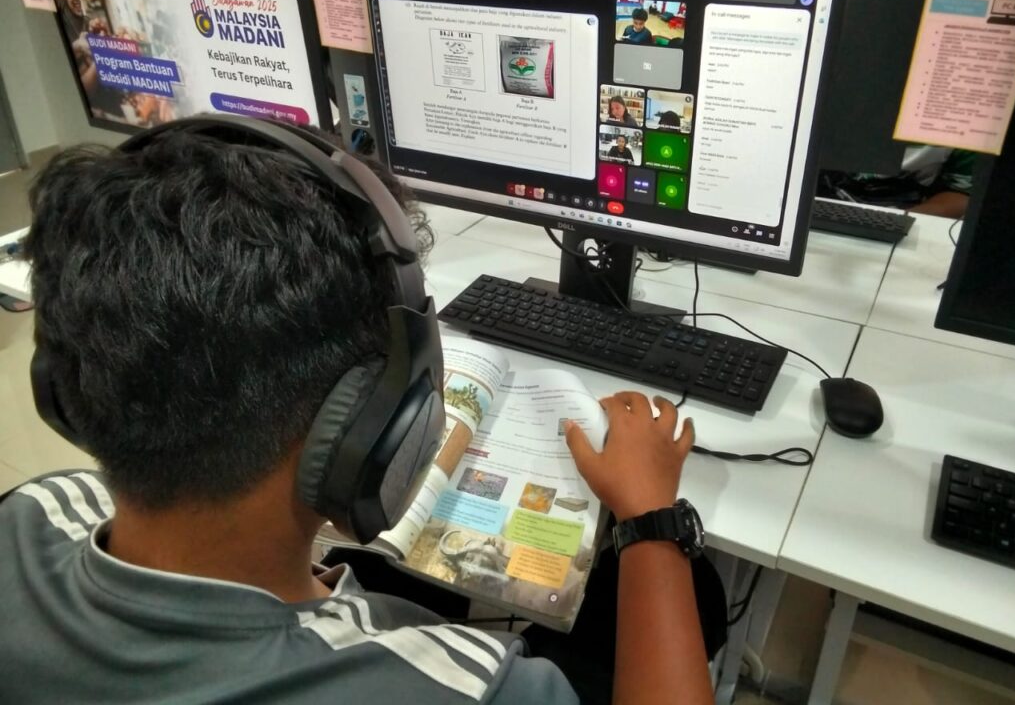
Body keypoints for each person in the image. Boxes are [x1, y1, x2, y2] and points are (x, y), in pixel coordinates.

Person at [1, 118, 718, 704]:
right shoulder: (468, 688)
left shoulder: (30, 515)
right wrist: (650, 517)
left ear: (61, 388)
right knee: (705, 598)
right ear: (372, 426)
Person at [819, 145, 975, 219]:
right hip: (822, 202)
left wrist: (899, 221)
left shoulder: (963, 123)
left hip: (908, 212)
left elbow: (960, 194)